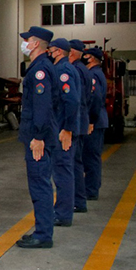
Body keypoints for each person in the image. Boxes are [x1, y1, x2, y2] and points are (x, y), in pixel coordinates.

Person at [16, 26, 58, 249]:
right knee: (39, 184)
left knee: (40, 184)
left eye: (27, 40)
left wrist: (39, 137)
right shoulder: (40, 67)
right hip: (37, 134)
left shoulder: (40, 69)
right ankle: (42, 230)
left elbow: (42, 106)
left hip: (38, 136)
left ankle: (43, 234)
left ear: (35, 44)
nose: (24, 44)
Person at [47, 38, 80, 227]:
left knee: (62, 171)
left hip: (62, 130)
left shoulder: (63, 71)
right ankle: (62, 211)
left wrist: (67, 128)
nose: (48, 53)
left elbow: (72, 100)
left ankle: (63, 214)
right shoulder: (65, 68)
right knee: (63, 171)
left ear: (58, 51)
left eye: (50, 50)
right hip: (61, 127)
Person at [68, 39, 92, 214]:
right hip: (80, 119)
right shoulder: (84, 69)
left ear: (72, 52)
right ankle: (78, 200)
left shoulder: (75, 70)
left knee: (73, 163)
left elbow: (74, 99)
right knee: (76, 161)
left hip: (75, 122)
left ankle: (78, 200)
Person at [83, 46, 108, 201]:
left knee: (91, 157)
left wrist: (91, 120)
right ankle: (91, 188)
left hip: (94, 122)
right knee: (92, 157)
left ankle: (91, 190)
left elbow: (96, 98)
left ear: (91, 58)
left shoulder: (93, 75)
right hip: (97, 120)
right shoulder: (98, 73)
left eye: (85, 56)